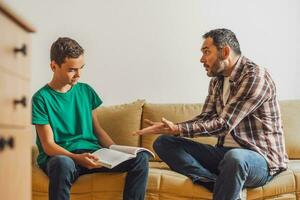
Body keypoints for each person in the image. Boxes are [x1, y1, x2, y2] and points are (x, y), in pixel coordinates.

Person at [134, 28, 288, 200]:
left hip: (261, 160)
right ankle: (214, 182)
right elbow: (206, 118)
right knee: (164, 143)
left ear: (225, 51)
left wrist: (179, 128)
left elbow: (223, 125)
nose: (201, 59)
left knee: (235, 158)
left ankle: (226, 184)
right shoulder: (217, 81)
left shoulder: (255, 77)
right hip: (225, 155)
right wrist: (172, 129)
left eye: (207, 52)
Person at [32, 37, 150, 200]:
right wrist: (76, 158)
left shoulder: (86, 91)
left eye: (81, 68)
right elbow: (49, 145)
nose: (78, 75)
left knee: (141, 159)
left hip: (92, 154)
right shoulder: (41, 98)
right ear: (53, 66)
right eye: (72, 70)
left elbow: (98, 131)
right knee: (62, 164)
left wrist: (117, 151)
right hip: (63, 157)